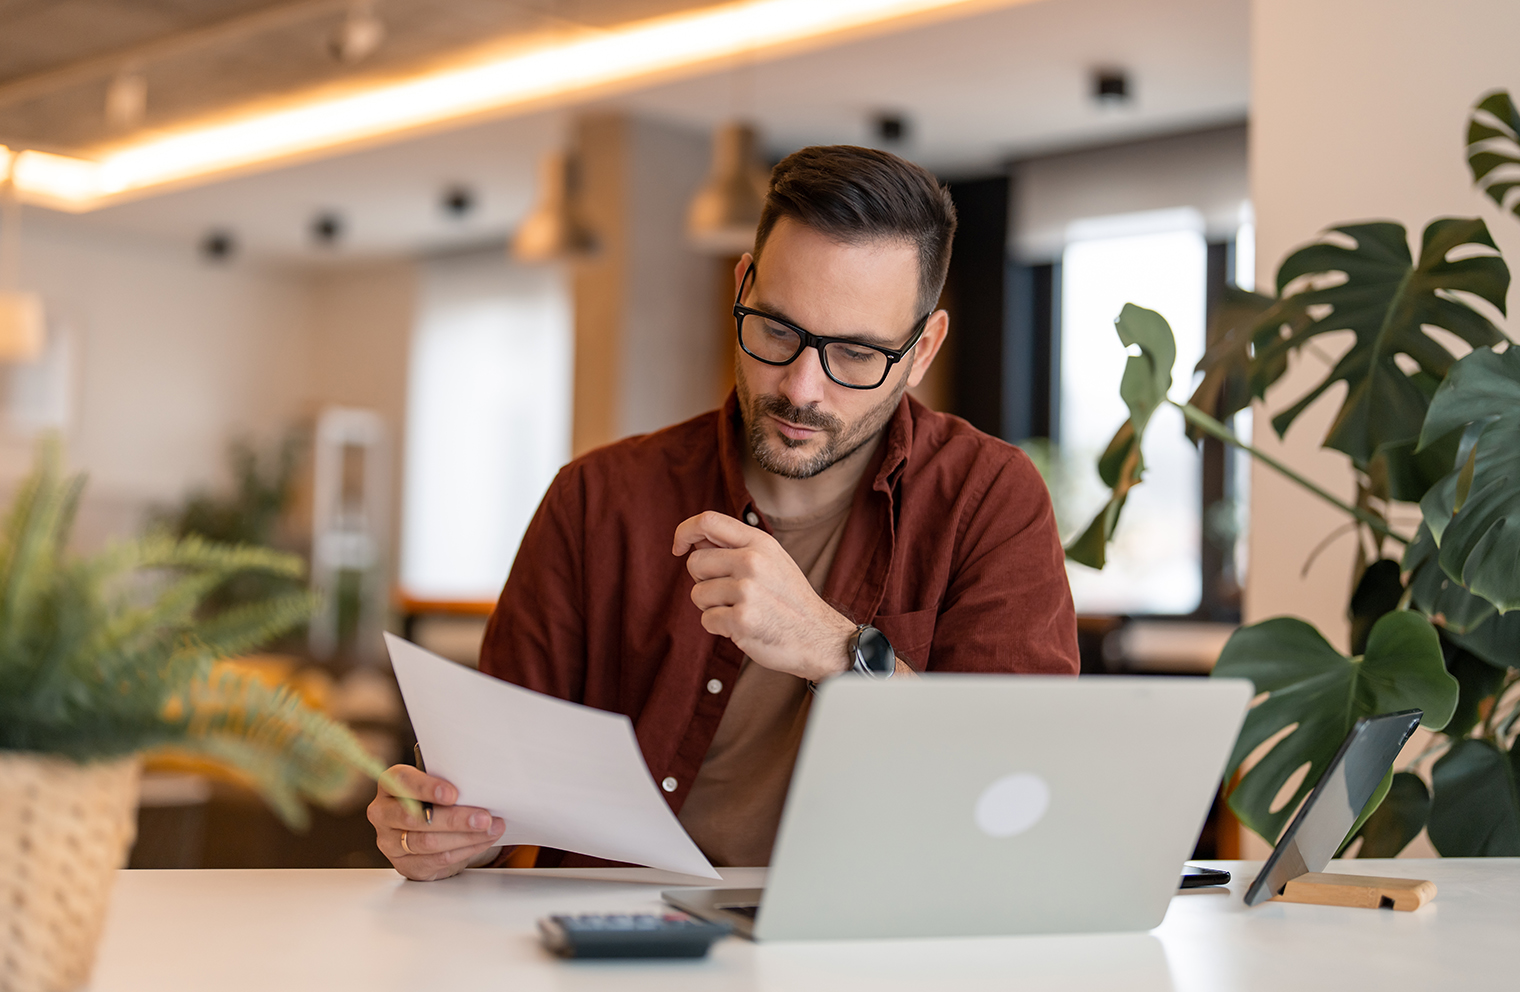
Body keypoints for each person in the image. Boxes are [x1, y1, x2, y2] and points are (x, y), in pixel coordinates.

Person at [368, 145, 1079, 881]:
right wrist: (449, 831)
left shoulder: (989, 499)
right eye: (776, 330)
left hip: (865, 941)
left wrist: (836, 651)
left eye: (857, 355)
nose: (802, 388)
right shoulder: (596, 500)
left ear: (922, 348)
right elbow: (492, 785)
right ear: (742, 286)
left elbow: (1018, 790)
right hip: (615, 942)